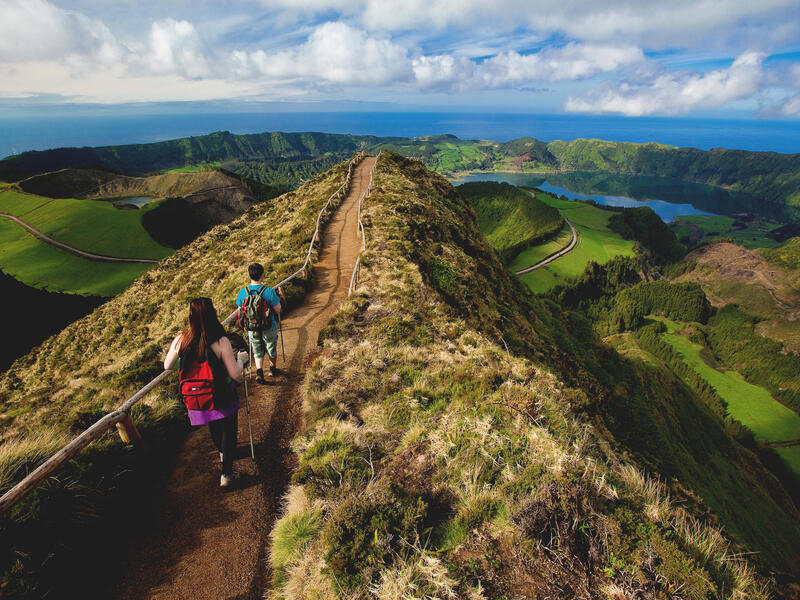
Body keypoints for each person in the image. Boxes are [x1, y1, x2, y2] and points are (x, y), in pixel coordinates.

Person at [164, 297, 249, 488]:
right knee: (228, 430)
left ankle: (221, 453)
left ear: (190, 316)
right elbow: (235, 375)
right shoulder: (220, 341)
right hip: (221, 393)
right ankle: (227, 473)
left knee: (214, 425)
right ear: (213, 314)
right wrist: (241, 360)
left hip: (196, 396)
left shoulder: (181, 339)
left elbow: (167, 365)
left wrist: (187, 366)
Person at [236, 263, 283, 384]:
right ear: (262, 275)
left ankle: (259, 372)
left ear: (249, 275)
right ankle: (272, 369)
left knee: (257, 349)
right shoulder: (268, 291)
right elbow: (278, 310)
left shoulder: (243, 292)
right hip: (268, 326)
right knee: (270, 346)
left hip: (251, 327)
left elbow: (240, 311)